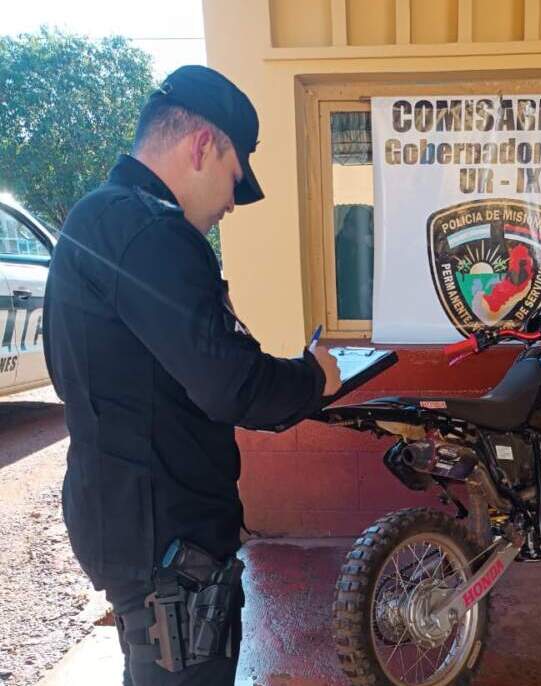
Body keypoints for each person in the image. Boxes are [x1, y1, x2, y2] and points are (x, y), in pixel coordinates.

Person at [42, 65, 341, 685]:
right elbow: (231, 383)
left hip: (137, 521)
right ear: (203, 145)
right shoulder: (151, 230)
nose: (232, 202)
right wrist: (315, 379)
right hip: (167, 539)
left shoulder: (103, 219)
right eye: (236, 177)